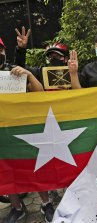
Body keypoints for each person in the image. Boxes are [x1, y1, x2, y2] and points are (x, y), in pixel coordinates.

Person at [0, 37, 53, 223]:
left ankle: (46, 203)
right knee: (6, 172)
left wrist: (29, 76)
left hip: (26, 130)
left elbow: (39, 94)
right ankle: (17, 207)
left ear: (4, 51)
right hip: (2, 135)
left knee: (36, 167)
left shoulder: (14, 70)